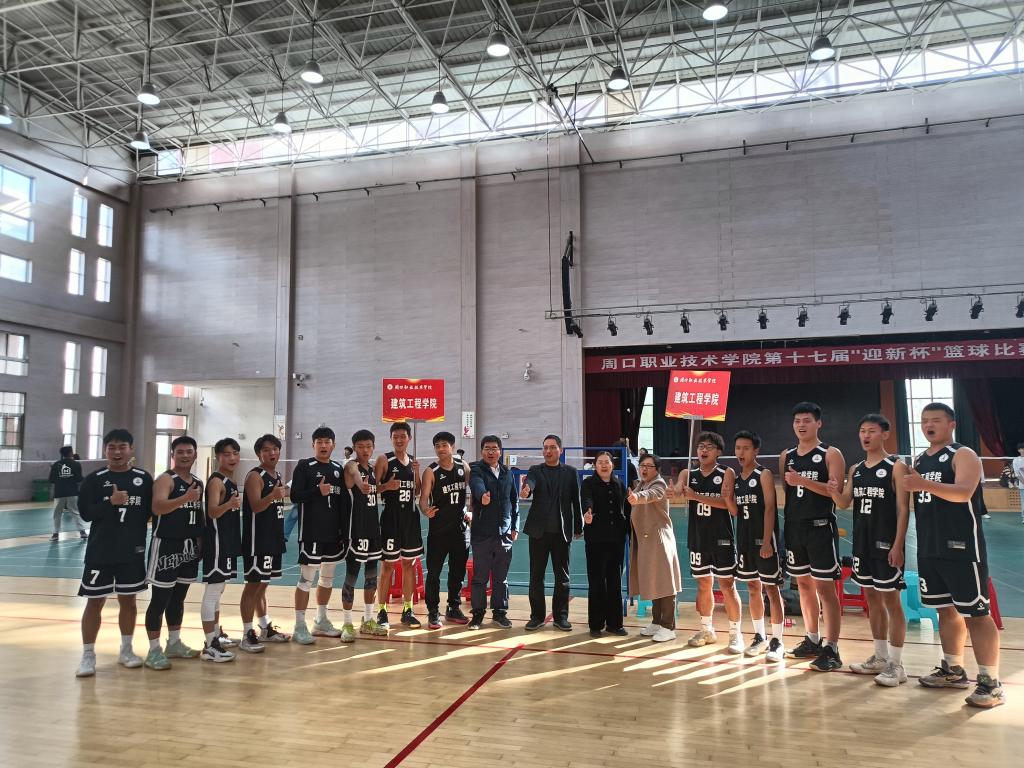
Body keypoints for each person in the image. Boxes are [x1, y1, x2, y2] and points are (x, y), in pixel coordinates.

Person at [904, 403, 1004, 708]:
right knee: (945, 610)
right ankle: (953, 669)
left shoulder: (963, 454)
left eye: (936, 420)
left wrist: (922, 484)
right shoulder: (920, 460)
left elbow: (963, 492)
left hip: (961, 547)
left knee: (976, 613)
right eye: (924, 421)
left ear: (952, 424)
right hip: (930, 548)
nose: (929, 425)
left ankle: (991, 682)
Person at [828, 414, 910, 686]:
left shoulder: (896, 467)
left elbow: (903, 509)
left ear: (885, 434)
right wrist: (833, 490)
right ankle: (880, 657)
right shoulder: (857, 469)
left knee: (891, 601)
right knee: (872, 599)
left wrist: (898, 545)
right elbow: (843, 502)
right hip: (862, 543)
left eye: (871, 431)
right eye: (862, 431)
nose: (866, 435)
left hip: (886, 544)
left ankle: (897, 665)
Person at [75, 429, 151, 677]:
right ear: (105, 450)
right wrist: (111, 502)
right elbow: (86, 513)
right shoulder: (94, 479)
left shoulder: (143, 478)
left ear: (131, 449)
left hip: (131, 552)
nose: (117, 452)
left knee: (128, 601)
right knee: (94, 601)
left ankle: (126, 650)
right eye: (112, 447)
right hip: (101, 551)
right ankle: (88, 654)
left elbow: (152, 510)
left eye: (122, 447)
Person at [780, 402, 845, 672]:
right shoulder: (787, 455)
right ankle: (812, 639)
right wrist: (799, 484)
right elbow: (789, 490)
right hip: (794, 528)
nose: (801, 425)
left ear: (818, 423)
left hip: (820, 528)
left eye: (806, 420)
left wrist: (804, 482)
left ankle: (832, 648)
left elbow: (836, 493)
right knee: (803, 586)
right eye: (797, 421)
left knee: (825, 589)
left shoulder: (831, 454)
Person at [672, 432, 742, 653]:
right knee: (703, 585)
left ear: (718, 452)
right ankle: (706, 629)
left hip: (722, 538)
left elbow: (727, 504)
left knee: (727, 586)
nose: (703, 450)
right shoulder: (688, 473)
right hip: (698, 537)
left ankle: (735, 633)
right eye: (700, 446)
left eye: (709, 447)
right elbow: (678, 489)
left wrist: (696, 496)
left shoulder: (726, 473)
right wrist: (675, 490)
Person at [144, 435, 204, 670]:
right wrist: (185, 498)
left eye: (189, 451)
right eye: (180, 452)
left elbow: (197, 514)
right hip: (166, 546)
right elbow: (157, 507)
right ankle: (153, 650)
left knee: (178, 598)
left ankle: (174, 643)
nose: (185, 455)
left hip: (188, 547)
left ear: (195, 454)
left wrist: (200, 542)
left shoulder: (197, 482)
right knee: (160, 599)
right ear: (173, 455)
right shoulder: (165, 479)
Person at [289, 426, 347, 644]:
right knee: (306, 579)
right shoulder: (305, 466)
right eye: (319, 442)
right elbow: (294, 496)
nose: (323, 445)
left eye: (327, 442)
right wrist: (316, 491)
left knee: (327, 578)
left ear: (333, 445)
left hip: (333, 535)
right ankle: (299, 625)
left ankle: (321, 620)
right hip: (311, 533)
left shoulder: (338, 468)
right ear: (313, 444)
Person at [732, 431, 786, 662]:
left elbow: (770, 508)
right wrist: (726, 497)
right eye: (738, 448)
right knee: (753, 588)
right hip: (744, 541)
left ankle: (778, 641)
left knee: (771, 589)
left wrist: (766, 541)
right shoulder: (736, 480)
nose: (741, 452)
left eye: (746, 448)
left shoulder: (763, 474)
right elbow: (735, 511)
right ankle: (759, 636)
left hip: (763, 540)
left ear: (755, 451)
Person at [521, 434, 583, 631]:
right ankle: (537, 616)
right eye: (545, 447)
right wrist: (527, 489)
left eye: (552, 447)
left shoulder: (570, 472)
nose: (548, 451)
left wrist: (578, 526)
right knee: (536, 576)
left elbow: (576, 501)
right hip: (538, 533)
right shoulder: (535, 470)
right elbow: (530, 482)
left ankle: (561, 617)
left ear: (560, 450)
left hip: (561, 533)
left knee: (562, 578)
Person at [239, 434, 291, 653]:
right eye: (266, 450)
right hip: (257, 540)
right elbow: (256, 506)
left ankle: (264, 629)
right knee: (253, 585)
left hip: (273, 538)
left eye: (275, 449)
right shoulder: (255, 476)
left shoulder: (276, 475)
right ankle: (246, 633)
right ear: (259, 454)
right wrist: (273, 495)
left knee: (263, 584)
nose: (272, 453)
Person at [420, 431, 472, 629]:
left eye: (444, 445)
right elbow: (423, 499)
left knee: (457, 572)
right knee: (434, 573)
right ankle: (433, 611)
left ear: (452, 447)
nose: (441, 449)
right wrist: (425, 510)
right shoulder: (431, 471)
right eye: (437, 446)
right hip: (439, 530)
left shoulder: (463, 466)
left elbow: (474, 490)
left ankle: (453, 607)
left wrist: (471, 511)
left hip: (460, 529)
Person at [628, 454, 682, 642]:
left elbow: (651, 495)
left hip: (659, 541)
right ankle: (657, 622)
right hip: (647, 541)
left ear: (656, 469)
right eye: (642, 465)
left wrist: (637, 497)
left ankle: (668, 626)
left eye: (648, 466)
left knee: (665, 584)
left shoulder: (658, 484)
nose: (644, 469)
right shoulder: (642, 484)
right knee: (653, 581)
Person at [468, 435, 518, 629]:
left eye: (494, 448)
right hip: (482, 533)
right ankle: (477, 614)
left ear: (500, 451)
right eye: (487, 448)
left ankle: (499, 613)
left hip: (504, 533)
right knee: (480, 577)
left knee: (501, 577)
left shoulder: (507, 473)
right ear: (482, 451)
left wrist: (514, 526)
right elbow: (477, 485)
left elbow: (513, 501)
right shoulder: (476, 469)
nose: (491, 452)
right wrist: (482, 495)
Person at [199, 437, 242, 662]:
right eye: (226, 454)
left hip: (227, 542)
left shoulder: (230, 480)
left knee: (219, 590)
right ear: (218, 457)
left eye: (235, 453)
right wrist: (230, 504)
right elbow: (212, 511)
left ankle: (215, 635)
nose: (232, 458)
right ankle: (209, 645)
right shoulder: (216, 481)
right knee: (213, 591)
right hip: (215, 542)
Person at [376, 422, 422, 629]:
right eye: (395, 436)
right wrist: (386, 486)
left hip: (410, 518)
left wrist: (417, 473)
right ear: (391, 438)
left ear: (409, 438)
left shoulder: (413, 462)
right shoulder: (384, 460)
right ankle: (382, 611)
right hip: (391, 518)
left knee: (408, 565)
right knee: (387, 565)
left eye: (403, 436)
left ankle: (408, 609)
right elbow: (372, 488)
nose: (399, 440)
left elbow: (417, 491)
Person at [342, 429, 386, 640]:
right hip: (355, 531)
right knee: (351, 576)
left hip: (373, 530)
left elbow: (375, 489)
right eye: (360, 446)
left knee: (371, 577)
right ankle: (347, 623)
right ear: (354, 448)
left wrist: (385, 486)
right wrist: (361, 484)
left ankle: (368, 620)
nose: (365, 450)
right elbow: (354, 474)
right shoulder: (351, 466)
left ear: (373, 447)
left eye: (368, 446)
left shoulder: (373, 469)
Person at [580, 451, 629, 637]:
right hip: (595, 540)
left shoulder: (619, 484)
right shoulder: (588, 483)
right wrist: (587, 512)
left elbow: (626, 507)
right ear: (595, 465)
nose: (603, 465)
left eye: (606, 462)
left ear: (612, 465)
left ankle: (615, 624)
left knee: (615, 581)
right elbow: (587, 500)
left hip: (616, 540)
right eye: (600, 462)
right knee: (597, 581)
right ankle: (596, 624)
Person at [50, 445, 86, 541]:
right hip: (72, 492)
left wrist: (60, 479)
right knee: (75, 512)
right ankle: (82, 532)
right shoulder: (76, 464)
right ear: (70, 453)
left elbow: (51, 480)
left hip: (59, 493)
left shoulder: (56, 464)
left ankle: (55, 534)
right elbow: (79, 479)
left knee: (57, 514)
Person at [1014, 443, 1024, 524]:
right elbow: (1017, 473)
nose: (1023, 450)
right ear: (1018, 450)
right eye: (1021, 449)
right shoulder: (1016, 460)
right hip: (1022, 485)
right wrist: (1023, 481)